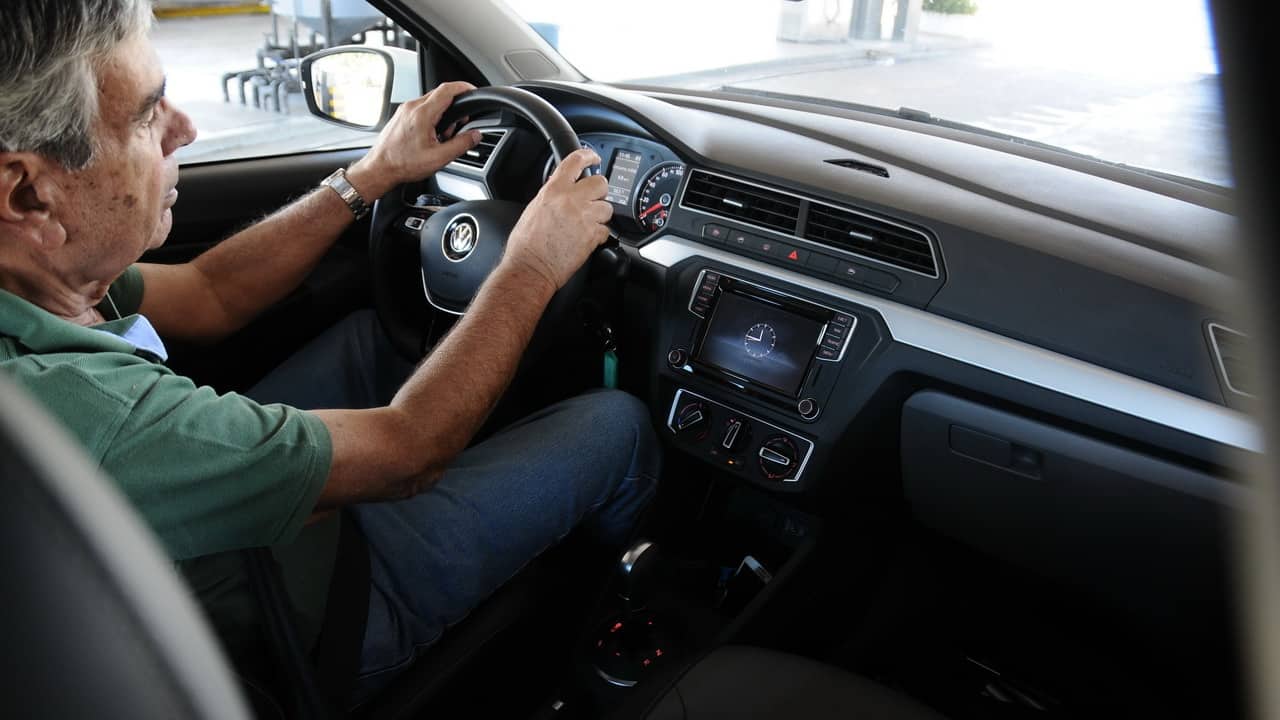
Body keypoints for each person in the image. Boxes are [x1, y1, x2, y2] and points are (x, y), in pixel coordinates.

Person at [0, 0, 660, 705]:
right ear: (29, 194)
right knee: (616, 425)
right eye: (145, 116)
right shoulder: (86, 409)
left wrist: (371, 174)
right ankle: (608, 633)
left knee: (374, 339)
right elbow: (409, 451)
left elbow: (209, 292)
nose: (184, 128)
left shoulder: (37, 285)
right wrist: (532, 263)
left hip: (210, 552)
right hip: (305, 614)